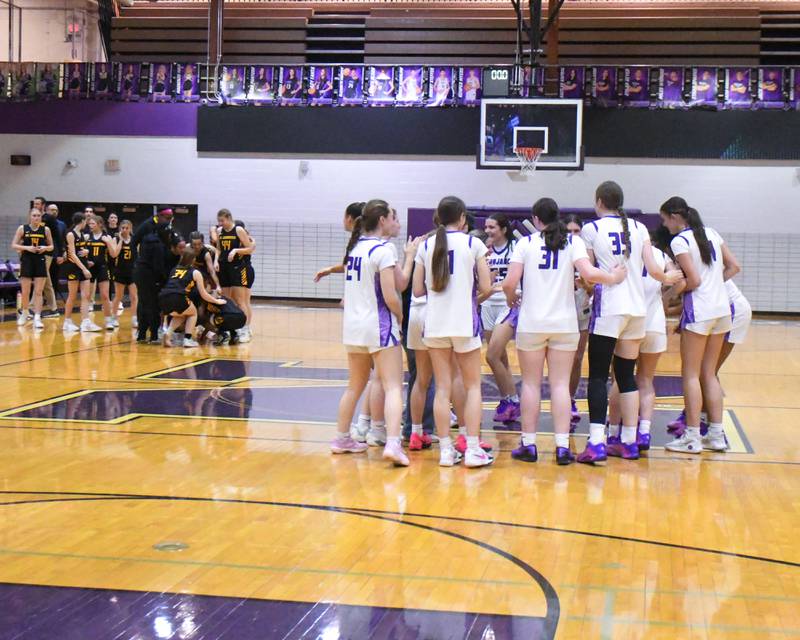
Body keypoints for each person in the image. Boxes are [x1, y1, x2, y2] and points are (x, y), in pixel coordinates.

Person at [503, 199, 626, 464]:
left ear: (536, 219)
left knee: (531, 384)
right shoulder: (573, 242)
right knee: (560, 385)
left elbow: (509, 282)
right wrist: (614, 277)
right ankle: (561, 447)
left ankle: (529, 444)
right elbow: (589, 274)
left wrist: (511, 297)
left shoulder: (526, 243)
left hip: (532, 323)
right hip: (565, 324)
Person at [577, 181, 681, 464]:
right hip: (638, 312)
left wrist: (600, 279)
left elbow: (588, 277)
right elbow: (656, 271)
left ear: (599, 201)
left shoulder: (591, 229)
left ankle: (597, 442)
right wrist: (671, 278)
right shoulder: (639, 228)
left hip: (609, 308)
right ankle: (629, 442)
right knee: (626, 377)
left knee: (598, 376)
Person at [412, 196, 493, 467]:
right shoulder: (474, 243)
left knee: (443, 388)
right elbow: (485, 286)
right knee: (472, 387)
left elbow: (417, 290)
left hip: (435, 323)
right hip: (463, 323)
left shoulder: (426, 244)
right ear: (462, 218)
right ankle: (472, 448)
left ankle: (446, 451)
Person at [660, 197, 740, 454]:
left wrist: (670, 295)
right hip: (721, 310)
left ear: (675, 217)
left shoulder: (680, 240)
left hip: (701, 311)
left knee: (691, 375)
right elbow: (734, 266)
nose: (664, 225)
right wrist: (715, 283)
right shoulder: (711, 232)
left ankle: (692, 436)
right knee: (709, 374)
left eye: (664, 220)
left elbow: (692, 280)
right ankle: (716, 435)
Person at [331, 199, 407, 467]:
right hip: (378, 326)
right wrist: (400, 315)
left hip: (353, 327)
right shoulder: (383, 249)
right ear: (383, 220)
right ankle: (394, 443)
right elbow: (391, 295)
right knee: (393, 386)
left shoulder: (355, 249)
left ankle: (341, 438)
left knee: (354, 386)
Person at [608, 230, 683, 451]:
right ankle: (644, 432)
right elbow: (679, 280)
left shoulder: (623, 255)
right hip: (654, 324)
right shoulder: (660, 256)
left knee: (620, 379)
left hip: (630, 323)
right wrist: (664, 298)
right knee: (646, 380)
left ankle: (613, 432)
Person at [482, 214, 519, 423]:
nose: (488, 231)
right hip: (488, 303)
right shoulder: (484, 250)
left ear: (504, 229)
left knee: (492, 355)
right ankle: (507, 399)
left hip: (508, 303)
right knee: (501, 357)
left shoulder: (515, 248)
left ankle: (512, 399)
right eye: (486, 227)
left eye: (492, 227)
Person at [159, 248, 226, 348]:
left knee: (181, 314)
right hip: (178, 297)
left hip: (163, 298)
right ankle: (188, 339)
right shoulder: (195, 272)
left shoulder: (174, 269)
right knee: (193, 313)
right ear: (193, 259)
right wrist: (217, 301)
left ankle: (168, 333)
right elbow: (203, 294)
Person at [564, 214, 593, 428]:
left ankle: (571, 400)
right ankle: (561, 399)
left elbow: (595, 286)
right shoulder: (558, 250)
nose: (572, 235)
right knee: (560, 360)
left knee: (577, 358)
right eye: (569, 231)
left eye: (576, 231)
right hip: (561, 308)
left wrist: (586, 285)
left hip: (582, 305)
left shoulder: (587, 253)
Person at [214, 210, 255, 342]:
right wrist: (216, 260)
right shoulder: (220, 231)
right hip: (224, 267)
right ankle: (229, 329)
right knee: (226, 300)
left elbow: (250, 248)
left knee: (240, 300)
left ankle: (245, 329)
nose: (220, 223)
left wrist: (236, 250)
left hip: (238, 267)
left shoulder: (238, 230)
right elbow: (219, 249)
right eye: (219, 221)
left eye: (222, 220)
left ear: (229, 218)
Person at [11, 208, 54, 329]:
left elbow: (51, 246)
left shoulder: (45, 229)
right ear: (30, 216)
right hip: (26, 261)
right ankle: (25, 313)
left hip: (40, 261)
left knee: (39, 291)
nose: (36, 217)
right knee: (25, 291)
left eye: (39, 215)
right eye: (34, 215)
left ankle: (37, 317)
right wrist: (27, 248)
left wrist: (44, 248)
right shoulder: (22, 228)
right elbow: (14, 245)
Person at [62, 212, 97, 332]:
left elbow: (80, 250)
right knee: (72, 296)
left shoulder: (81, 234)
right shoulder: (70, 234)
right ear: (82, 221)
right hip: (73, 267)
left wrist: (86, 251)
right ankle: (66, 322)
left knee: (86, 295)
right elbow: (71, 254)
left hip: (82, 265)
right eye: (85, 221)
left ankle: (85, 322)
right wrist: (84, 268)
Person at [84, 215, 119, 330]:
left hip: (103, 268)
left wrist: (108, 243)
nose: (90, 226)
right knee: (87, 296)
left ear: (99, 224)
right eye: (89, 224)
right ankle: (86, 321)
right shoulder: (87, 237)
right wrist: (86, 258)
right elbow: (81, 252)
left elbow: (114, 254)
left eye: (93, 224)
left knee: (104, 296)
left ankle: (108, 320)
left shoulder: (107, 237)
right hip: (90, 268)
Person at [112, 220, 138, 328]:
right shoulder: (116, 239)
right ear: (120, 229)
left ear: (130, 229)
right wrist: (121, 241)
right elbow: (115, 254)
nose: (124, 230)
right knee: (119, 296)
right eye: (122, 228)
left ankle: (134, 319)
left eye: (127, 228)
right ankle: (114, 318)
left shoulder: (135, 240)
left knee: (134, 296)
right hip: (120, 271)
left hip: (132, 271)